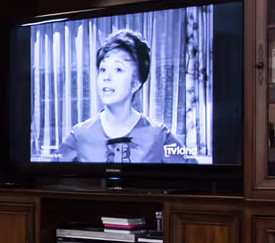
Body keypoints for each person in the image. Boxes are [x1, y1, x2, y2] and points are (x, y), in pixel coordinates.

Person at [58, 28, 194, 164]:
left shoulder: (158, 136)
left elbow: (196, 177)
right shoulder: (79, 135)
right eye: (103, 69)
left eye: (118, 69)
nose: (107, 77)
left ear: (136, 83)